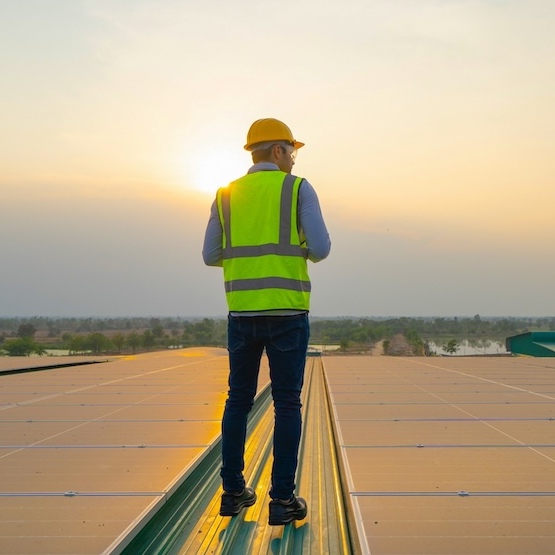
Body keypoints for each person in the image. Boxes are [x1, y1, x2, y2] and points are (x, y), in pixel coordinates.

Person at [202, 118, 331, 526]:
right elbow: (322, 249)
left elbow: (210, 255)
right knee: (287, 403)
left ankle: (233, 493)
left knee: (237, 400)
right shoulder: (297, 188)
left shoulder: (226, 194)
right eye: (292, 150)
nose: (294, 158)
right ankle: (282, 500)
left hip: (242, 314)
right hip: (288, 314)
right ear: (277, 151)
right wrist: (297, 249)